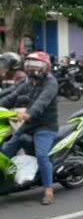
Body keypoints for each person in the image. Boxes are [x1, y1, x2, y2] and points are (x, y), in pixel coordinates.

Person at [0, 52, 59, 205]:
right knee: (6, 151)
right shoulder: (29, 82)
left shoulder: (51, 83)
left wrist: (29, 114)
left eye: (36, 66)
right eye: (30, 65)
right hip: (28, 125)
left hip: (45, 126)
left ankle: (48, 190)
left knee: (42, 156)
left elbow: (42, 102)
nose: (32, 69)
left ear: (45, 67)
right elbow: (12, 96)